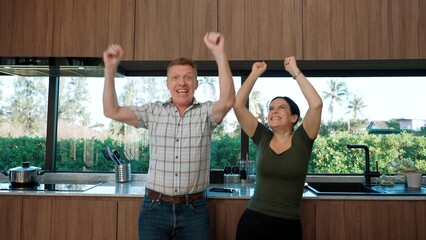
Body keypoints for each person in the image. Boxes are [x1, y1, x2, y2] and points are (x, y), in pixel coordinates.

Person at [102, 32, 235, 240]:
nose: (182, 83)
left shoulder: (205, 113)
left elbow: (227, 101)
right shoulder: (153, 111)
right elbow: (112, 111)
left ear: (196, 84)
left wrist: (219, 53)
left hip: (195, 210)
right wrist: (110, 70)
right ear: (168, 83)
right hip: (154, 208)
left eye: (188, 77)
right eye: (176, 77)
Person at [234, 57, 323, 240]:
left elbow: (316, 104)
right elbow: (237, 105)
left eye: (281, 108)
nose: (274, 111)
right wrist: (254, 74)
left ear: (294, 118)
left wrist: (295, 72)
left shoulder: (303, 139)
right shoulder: (262, 137)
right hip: (253, 221)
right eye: (271, 108)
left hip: (287, 225)